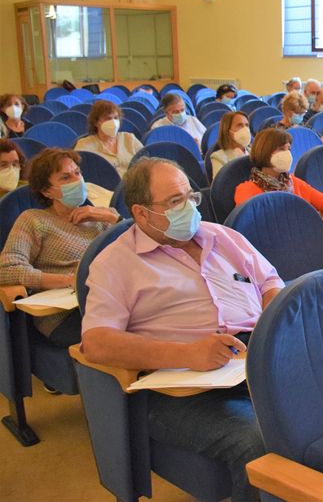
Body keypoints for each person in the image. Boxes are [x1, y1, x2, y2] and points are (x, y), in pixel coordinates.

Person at [80, 157, 284, 502]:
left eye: (191, 196)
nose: (189, 207)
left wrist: (272, 327)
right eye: (175, 201)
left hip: (255, 360)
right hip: (180, 389)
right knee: (259, 440)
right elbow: (96, 342)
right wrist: (186, 354)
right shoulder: (115, 263)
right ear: (141, 213)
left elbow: (270, 283)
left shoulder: (223, 236)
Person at [0, 148, 120, 346]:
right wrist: (70, 280)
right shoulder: (34, 220)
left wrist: (114, 219)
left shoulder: (103, 217)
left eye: (77, 173)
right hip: (66, 314)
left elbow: (141, 253)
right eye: (65, 177)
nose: (76, 180)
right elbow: (7, 270)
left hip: (112, 300)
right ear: (46, 191)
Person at [234, 128, 323, 221]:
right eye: (281, 149)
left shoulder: (292, 182)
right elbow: (250, 224)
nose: (287, 154)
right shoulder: (246, 190)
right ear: (265, 152)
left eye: (288, 149)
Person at [74, 100, 144, 177]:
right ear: (96, 122)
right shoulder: (84, 145)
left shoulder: (129, 138)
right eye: (108, 118)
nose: (113, 122)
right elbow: (77, 172)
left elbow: (146, 162)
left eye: (116, 118)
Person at [209, 111, 252, 179]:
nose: (245, 129)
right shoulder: (218, 157)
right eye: (239, 125)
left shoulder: (253, 152)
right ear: (227, 131)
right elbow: (221, 183)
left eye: (246, 125)